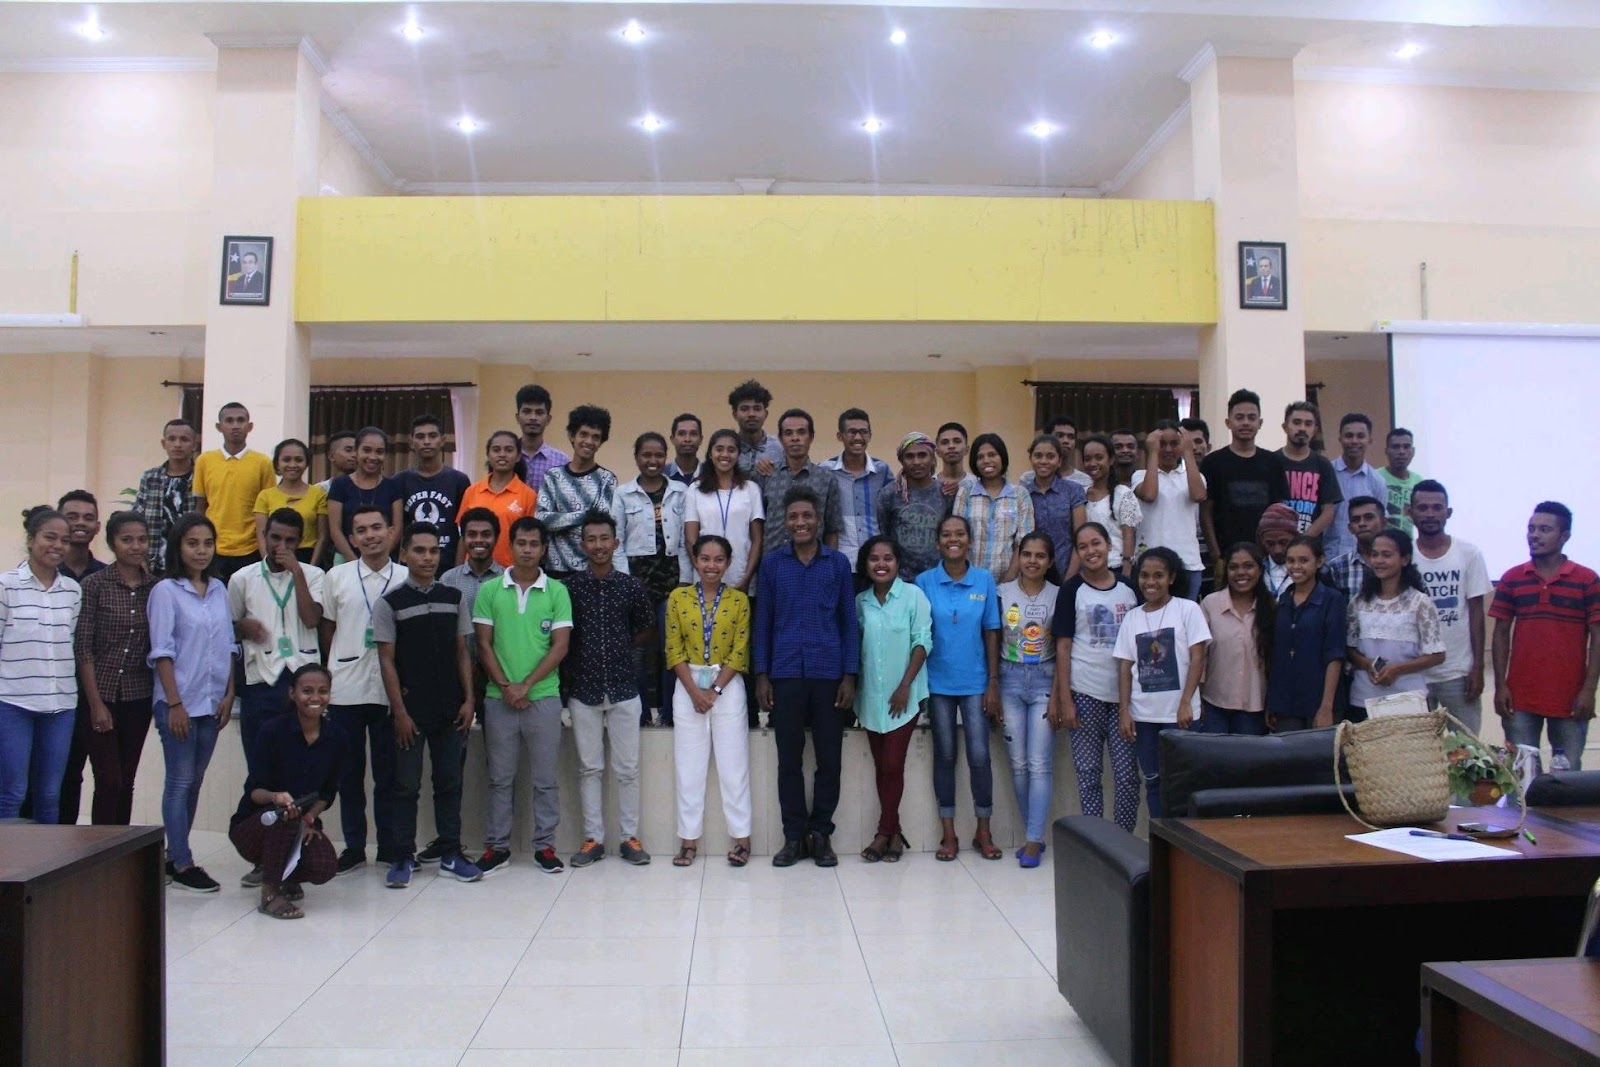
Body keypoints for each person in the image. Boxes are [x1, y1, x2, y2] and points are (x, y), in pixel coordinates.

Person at [373, 522, 483, 888]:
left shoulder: (454, 598)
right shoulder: (390, 603)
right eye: (419, 550)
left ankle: (451, 853)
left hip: (451, 708)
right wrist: (399, 713)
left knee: (449, 782)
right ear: (404, 554)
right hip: (410, 712)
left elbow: (462, 652)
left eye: (434, 551)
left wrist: (469, 700)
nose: (428, 558)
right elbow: (386, 660)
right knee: (405, 786)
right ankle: (403, 856)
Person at [755, 487, 859, 868]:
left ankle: (821, 835)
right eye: (793, 517)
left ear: (818, 521)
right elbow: (763, 621)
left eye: (807, 516)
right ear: (786, 522)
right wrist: (761, 674)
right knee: (789, 761)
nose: (800, 522)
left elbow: (849, 622)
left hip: (829, 673)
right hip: (785, 673)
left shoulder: (837, 564)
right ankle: (794, 837)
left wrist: (850, 675)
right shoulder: (772, 564)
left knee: (829, 759)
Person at [474, 516, 571, 875]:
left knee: (545, 780)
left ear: (544, 549)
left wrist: (526, 685)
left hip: (543, 698)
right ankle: (496, 847)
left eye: (534, 544)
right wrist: (506, 687)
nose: (527, 550)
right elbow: (483, 645)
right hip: (498, 698)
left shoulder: (557, 591)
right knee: (500, 779)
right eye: (521, 543)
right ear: (510, 546)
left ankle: (545, 847)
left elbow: (560, 647)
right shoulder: (490, 591)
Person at [147, 513, 236, 892]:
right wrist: (174, 704)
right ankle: (182, 864)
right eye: (192, 543)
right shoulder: (166, 591)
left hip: (212, 703)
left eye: (207, 543)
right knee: (179, 781)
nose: (201, 551)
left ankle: (174, 855)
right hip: (179, 703)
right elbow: (162, 651)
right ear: (177, 548)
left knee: (194, 782)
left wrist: (230, 693)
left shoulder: (218, 589)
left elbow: (229, 645)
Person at [564, 512, 654, 868]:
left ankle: (630, 838)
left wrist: (621, 649)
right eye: (592, 539)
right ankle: (593, 840)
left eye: (605, 538)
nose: (599, 545)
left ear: (616, 543)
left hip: (623, 689)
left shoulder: (632, 587)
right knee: (589, 769)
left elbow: (647, 629)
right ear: (583, 544)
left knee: (627, 769)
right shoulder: (569, 588)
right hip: (583, 689)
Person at [320, 505, 404, 875]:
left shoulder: (405, 576)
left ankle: (388, 846)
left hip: (389, 692)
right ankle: (354, 847)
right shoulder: (337, 577)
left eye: (376, 527)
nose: (370, 535)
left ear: (390, 531)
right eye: (361, 530)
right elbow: (327, 629)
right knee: (349, 775)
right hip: (346, 689)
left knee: (389, 776)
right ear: (352, 538)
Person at [915, 514, 1002, 862]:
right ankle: (948, 833)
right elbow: (919, 634)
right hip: (938, 683)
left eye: (960, 534)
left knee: (979, 756)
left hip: (976, 682)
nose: (954, 540)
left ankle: (984, 831)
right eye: (947, 535)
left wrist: (993, 682)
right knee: (945, 755)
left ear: (969, 540)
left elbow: (991, 632)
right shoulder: (924, 581)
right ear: (937, 543)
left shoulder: (984, 580)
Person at [228, 663, 345, 919]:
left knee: (325, 866)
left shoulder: (336, 736)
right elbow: (254, 791)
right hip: (258, 824)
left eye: (323, 691)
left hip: (301, 821)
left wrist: (309, 819)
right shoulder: (273, 731)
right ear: (292, 693)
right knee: (285, 815)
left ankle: (287, 875)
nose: (315, 698)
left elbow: (327, 793)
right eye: (307, 691)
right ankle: (270, 893)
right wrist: (275, 797)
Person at [1491, 502, 1600, 770]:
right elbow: (1501, 633)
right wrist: (1501, 686)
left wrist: (1589, 690)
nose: (1535, 535)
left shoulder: (1587, 580)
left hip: (1571, 698)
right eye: (1531, 529)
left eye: (1544, 529)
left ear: (1565, 536)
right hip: (1519, 697)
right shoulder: (1512, 578)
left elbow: (1598, 637)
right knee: (1521, 775)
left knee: (1568, 776)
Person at [666, 535, 754, 867]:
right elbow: (673, 648)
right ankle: (688, 841)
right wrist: (694, 691)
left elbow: (740, 649)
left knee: (734, 767)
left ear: (728, 563)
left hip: (726, 686)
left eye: (718, 560)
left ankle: (742, 839)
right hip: (687, 685)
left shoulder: (739, 600)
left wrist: (714, 691)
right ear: (695, 560)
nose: (711, 566)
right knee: (688, 768)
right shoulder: (678, 597)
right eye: (705, 559)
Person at [64, 512, 156, 826]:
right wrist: (95, 705)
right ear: (112, 543)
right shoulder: (94, 585)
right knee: (109, 780)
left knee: (127, 780)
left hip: (138, 696)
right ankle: (100, 848)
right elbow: (83, 648)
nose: (136, 546)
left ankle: (122, 849)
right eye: (127, 540)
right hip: (99, 694)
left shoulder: (156, 588)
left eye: (142, 539)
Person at [426, 507, 503, 865]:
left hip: (498, 681)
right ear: (463, 538)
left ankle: (497, 842)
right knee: (450, 766)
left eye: (486, 534)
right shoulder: (447, 580)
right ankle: (448, 840)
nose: (479, 541)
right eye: (472, 534)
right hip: (457, 682)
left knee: (499, 766)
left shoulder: (508, 579)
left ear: (496, 538)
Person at [1054, 522, 1140, 832]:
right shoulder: (1071, 591)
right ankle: (1097, 843)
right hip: (1085, 694)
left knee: (1127, 777)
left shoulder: (1129, 588)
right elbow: (1063, 647)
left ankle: (1123, 841)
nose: (1091, 551)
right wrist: (1066, 700)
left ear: (1108, 545)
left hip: (1124, 700)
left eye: (1096, 543)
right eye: (1083, 547)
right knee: (1088, 774)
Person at [1115, 546, 1210, 818]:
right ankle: (1160, 838)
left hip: (1180, 715)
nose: (1150, 582)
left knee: (1184, 784)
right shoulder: (1132, 617)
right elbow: (1125, 667)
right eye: (1144, 575)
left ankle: (1185, 839)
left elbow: (1198, 657)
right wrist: (1125, 711)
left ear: (1171, 578)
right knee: (1154, 782)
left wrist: (1186, 702)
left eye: (1158, 575)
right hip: (1144, 717)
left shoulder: (1187, 609)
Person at [228, 509, 324, 777]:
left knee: (303, 768)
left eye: (290, 540)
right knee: (261, 770)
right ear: (264, 535)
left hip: (302, 680)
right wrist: (242, 627)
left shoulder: (314, 575)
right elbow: (227, 632)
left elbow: (311, 619)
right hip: (260, 681)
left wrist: (297, 572)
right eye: (275, 538)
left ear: (300, 541)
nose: (281, 546)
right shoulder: (242, 578)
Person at [0, 509, 81, 823]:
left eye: (65, 540)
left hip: (60, 706)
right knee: (12, 792)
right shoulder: (6, 586)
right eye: (50, 537)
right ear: (31, 540)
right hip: (12, 704)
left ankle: (49, 857)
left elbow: (70, 643)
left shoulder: (72, 591)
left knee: (49, 794)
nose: (58, 545)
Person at [854, 535, 931, 863]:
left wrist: (904, 686)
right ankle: (895, 834)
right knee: (881, 767)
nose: (881, 564)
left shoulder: (914, 596)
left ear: (898, 563)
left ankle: (883, 833)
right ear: (866, 565)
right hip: (871, 697)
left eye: (888, 558)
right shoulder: (860, 602)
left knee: (892, 764)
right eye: (874, 559)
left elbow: (922, 641)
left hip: (904, 697)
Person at [615, 432, 691, 724]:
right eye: (646, 455)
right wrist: (625, 583)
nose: (652, 461)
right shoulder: (623, 494)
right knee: (637, 650)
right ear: (636, 457)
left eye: (659, 455)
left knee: (671, 650)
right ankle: (641, 713)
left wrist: (685, 580)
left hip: (673, 584)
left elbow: (685, 541)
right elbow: (617, 542)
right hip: (637, 584)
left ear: (665, 457)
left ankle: (670, 714)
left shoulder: (680, 492)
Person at [997, 532, 1061, 868]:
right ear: (1018, 557)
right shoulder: (1002, 593)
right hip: (1008, 680)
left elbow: (1064, 648)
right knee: (1019, 764)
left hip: (1044, 683)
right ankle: (1032, 833)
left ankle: (1034, 841)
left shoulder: (1059, 595)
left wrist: (1059, 696)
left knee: (1039, 764)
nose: (1032, 561)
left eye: (1040, 556)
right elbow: (991, 639)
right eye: (1027, 554)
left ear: (1050, 562)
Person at [1410, 481, 1489, 731]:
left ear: (1448, 512)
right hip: (1413, 675)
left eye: (1437, 507)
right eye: (1423, 508)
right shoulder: (1402, 555)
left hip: (1458, 673)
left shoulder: (1469, 554)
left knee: (1466, 748)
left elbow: (1476, 614)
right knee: (1418, 749)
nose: (1430, 514)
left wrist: (1478, 667)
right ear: (1410, 512)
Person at [1345, 528, 1445, 722]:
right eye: (1375, 554)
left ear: (1404, 559)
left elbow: (1437, 655)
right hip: (1364, 698)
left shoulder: (1420, 602)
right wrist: (1367, 664)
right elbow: (1349, 649)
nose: (1378, 560)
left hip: (1409, 700)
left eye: (1386, 555)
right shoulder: (1359, 602)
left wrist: (1396, 669)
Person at [1200, 389, 1286, 579]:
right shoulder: (1212, 462)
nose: (1246, 422)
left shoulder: (1273, 462)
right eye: (1239, 417)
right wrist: (1216, 556)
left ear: (1260, 423)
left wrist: (1276, 551)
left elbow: (1279, 510)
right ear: (1228, 422)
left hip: (1266, 557)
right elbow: (1205, 511)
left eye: (1251, 417)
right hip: (1226, 556)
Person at [1267, 535, 1346, 731]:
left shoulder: (1332, 600)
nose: (1296, 566)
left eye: (1303, 560)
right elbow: (1276, 654)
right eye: (1290, 561)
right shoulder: (1283, 601)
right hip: (1286, 702)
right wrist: (1271, 701)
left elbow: (1335, 655)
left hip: (1320, 699)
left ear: (1319, 562)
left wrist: (1326, 707)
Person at [192, 402, 278, 579]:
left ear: (250, 426)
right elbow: (200, 506)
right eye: (229, 421)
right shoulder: (204, 461)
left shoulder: (263, 463)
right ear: (219, 427)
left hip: (251, 548)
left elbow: (268, 509)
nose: (235, 425)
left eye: (240, 420)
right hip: (214, 547)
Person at [536, 404, 620, 581]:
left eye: (595, 437)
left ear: (601, 442)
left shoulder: (607, 480)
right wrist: (585, 515)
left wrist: (559, 519)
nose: (589, 441)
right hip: (554, 572)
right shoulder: (553, 476)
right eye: (583, 434)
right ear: (572, 436)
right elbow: (542, 519)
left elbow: (599, 525)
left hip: (590, 573)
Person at [1199, 543, 1273, 735]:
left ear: (1260, 570)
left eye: (1248, 566)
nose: (1241, 572)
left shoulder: (1271, 608)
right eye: (1234, 567)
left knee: (1247, 755)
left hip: (1254, 706)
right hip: (1214, 703)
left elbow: (1274, 661)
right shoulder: (1210, 604)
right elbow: (1200, 656)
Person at [683, 429, 765, 593]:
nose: (725, 454)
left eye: (731, 450)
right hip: (705, 578)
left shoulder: (751, 489)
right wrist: (703, 573)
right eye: (719, 449)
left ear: (738, 454)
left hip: (741, 578)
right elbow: (691, 539)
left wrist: (746, 578)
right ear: (710, 453)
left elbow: (757, 540)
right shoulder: (695, 490)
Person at [1132, 420, 1206, 599]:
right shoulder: (1140, 476)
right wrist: (1152, 453)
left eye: (1174, 444)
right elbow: (1149, 495)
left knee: (1184, 615)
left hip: (1188, 563)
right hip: (1149, 565)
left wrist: (1188, 452)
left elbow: (1198, 495)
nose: (1168, 449)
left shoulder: (1194, 476)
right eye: (1162, 444)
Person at [760, 408, 843, 557]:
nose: (795, 438)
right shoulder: (766, 475)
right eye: (788, 433)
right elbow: (757, 527)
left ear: (811, 437)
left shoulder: (826, 479)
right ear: (780, 439)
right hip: (772, 564)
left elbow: (832, 529)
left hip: (813, 564)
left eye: (801, 432)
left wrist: (830, 563)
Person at [953, 433, 1035, 583]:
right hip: (970, 581)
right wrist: (970, 577)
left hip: (1010, 582)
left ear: (1002, 457)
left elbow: (1024, 542)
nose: (986, 460)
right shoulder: (965, 493)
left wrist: (1009, 579)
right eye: (980, 457)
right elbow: (957, 537)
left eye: (992, 455)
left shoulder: (1020, 495)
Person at [394, 414, 472, 570]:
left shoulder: (459, 480)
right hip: (410, 568)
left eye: (432, 436)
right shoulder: (399, 481)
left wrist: (457, 570)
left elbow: (465, 529)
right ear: (411, 442)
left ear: (442, 440)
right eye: (420, 436)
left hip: (448, 566)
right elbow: (396, 529)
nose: (427, 441)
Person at [876, 431, 951, 581]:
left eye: (922, 455)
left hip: (938, 578)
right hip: (900, 580)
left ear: (932, 458)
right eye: (909, 456)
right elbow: (883, 535)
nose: (916, 462)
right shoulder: (889, 494)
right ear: (901, 460)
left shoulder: (946, 492)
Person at [457, 430, 538, 569]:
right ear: (488, 455)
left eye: (509, 450)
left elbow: (530, 539)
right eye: (496, 450)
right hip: (473, 571)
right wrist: (458, 571)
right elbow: (462, 535)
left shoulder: (529, 495)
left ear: (518, 456)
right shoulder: (472, 491)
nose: (502, 454)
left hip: (509, 572)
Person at [824, 408, 893, 566]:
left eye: (863, 432)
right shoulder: (826, 470)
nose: (858, 437)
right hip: (841, 560)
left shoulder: (882, 471)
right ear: (839, 436)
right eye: (852, 432)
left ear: (870, 436)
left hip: (875, 562)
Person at [326, 427, 404, 563]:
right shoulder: (339, 485)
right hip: (346, 560)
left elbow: (397, 529)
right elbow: (335, 530)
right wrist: (357, 564)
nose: (373, 457)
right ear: (356, 452)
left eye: (379, 452)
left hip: (384, 561)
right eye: (367, 450)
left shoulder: (393, 486)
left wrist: (380, 558)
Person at [135, 418, 199, 575]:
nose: (177, 444)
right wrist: (139, 558)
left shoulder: (202, 477)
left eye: (184, 439)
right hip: (154, 563)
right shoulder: (150, 477)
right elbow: (138, 518)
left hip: (191, 564)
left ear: (194, 445)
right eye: (172, 439)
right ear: (164, 444)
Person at [1020, 434, 1087, 582]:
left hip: (1068, 569)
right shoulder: (1023, 494)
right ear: (1031, 459)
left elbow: (1080, 537)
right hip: (1033, 573)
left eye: (1050, 456)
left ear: (1059, 461)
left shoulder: (1073, 491)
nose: (1043, 461)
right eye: (1038, 456)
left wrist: (1069, 578)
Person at [253, 439, 329, 564]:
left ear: (306, 463)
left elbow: (322, 536)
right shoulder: (265, 496)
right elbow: (261, 535)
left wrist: (312, 567)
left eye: (299, 460)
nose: (293, 465)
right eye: (286, 460)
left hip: (308, 557)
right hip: (275, 556)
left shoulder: (319, 494)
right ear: (277, 464)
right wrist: (268, 565)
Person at [1326, 413, 1389, 562]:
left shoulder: (1377, 482)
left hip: (1363, 560)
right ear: (1340, 438)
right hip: (1326, 558)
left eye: (1360, 436)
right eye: (1349, 436)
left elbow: (1380, 524)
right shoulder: (1326, 473)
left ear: (1369, 440)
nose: (1354, 441)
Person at [1276, 402, 1341, 539]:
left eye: (1308, 424)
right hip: (1277, 543)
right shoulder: (1272, 461)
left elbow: (1328, 512)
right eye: (1297, 422)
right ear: (1285, 427)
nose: (1302, 428)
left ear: (1315, 430)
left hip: (1310, 545)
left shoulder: (1323, 464)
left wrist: (1304, 540)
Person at [1080, 435, 1142, 577]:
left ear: (1111, 459)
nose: (1093, 463)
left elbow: (1128, 535)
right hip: (1087, 570)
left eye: (1099, 457)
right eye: (1088, 459)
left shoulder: (1123, 494)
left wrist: (1126, 574)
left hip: (1116, 568)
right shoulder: (1080, 495)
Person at [1321, 496, 1385, 602]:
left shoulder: (1397, 563)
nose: (1362, 523)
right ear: (1350, 528)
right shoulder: (1337, 567)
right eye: (1356, 520)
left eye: (1369, 517)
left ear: (1384, 522)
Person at [515, 383, 571, 491]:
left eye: (539, 412)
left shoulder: (561, 462)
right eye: (527, 412)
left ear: (548, 419)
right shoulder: (506, 456)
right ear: (517, 418)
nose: (533, 417)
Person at [728, 379, 782, 478]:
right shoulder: (727, 449)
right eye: (744, 409)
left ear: (765, 414)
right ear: (735, 414)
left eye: (757, 409)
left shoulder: (781, 447)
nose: (751, 414)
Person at [57, 490, 105, 583]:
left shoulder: (108, 576)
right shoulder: (46, 572)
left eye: (88, 518)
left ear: (97, 527)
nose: (81, 522)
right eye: (72, 517)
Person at [1381, 428, 1422, 534]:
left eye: (1406, 447)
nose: (1401, 452)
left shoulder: (1419, 482)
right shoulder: (1376, 478)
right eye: (1396, 447)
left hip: (1408, 542)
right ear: (1386, 451)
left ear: (1413, 451)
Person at [1256, 503, 1299, 599]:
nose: (1277, 550)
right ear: (1262, 540)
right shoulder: (1254, 570)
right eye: (1270, 544)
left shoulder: (1310, 571)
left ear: (1296, 537)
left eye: (1284, 543)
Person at [1045, 414, 1093, 488]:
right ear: (1046, 439)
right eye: (1060, 435)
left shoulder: (1085, 481)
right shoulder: (1030, 479)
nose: (1066, 441)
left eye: (1071, 437)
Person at [935, 421, 975, 496]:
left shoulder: (977, 484)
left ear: (966, 450)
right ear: (937, 452)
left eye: (957, 441)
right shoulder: (930, 484)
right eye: (945, 442)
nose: (951, 446)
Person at [666, 412, 703, 485]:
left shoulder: (711, 475)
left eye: (693, 434)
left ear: (700, 439)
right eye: (681, 434)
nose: (687, 439)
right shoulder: (662, 475)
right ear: (672, 439)